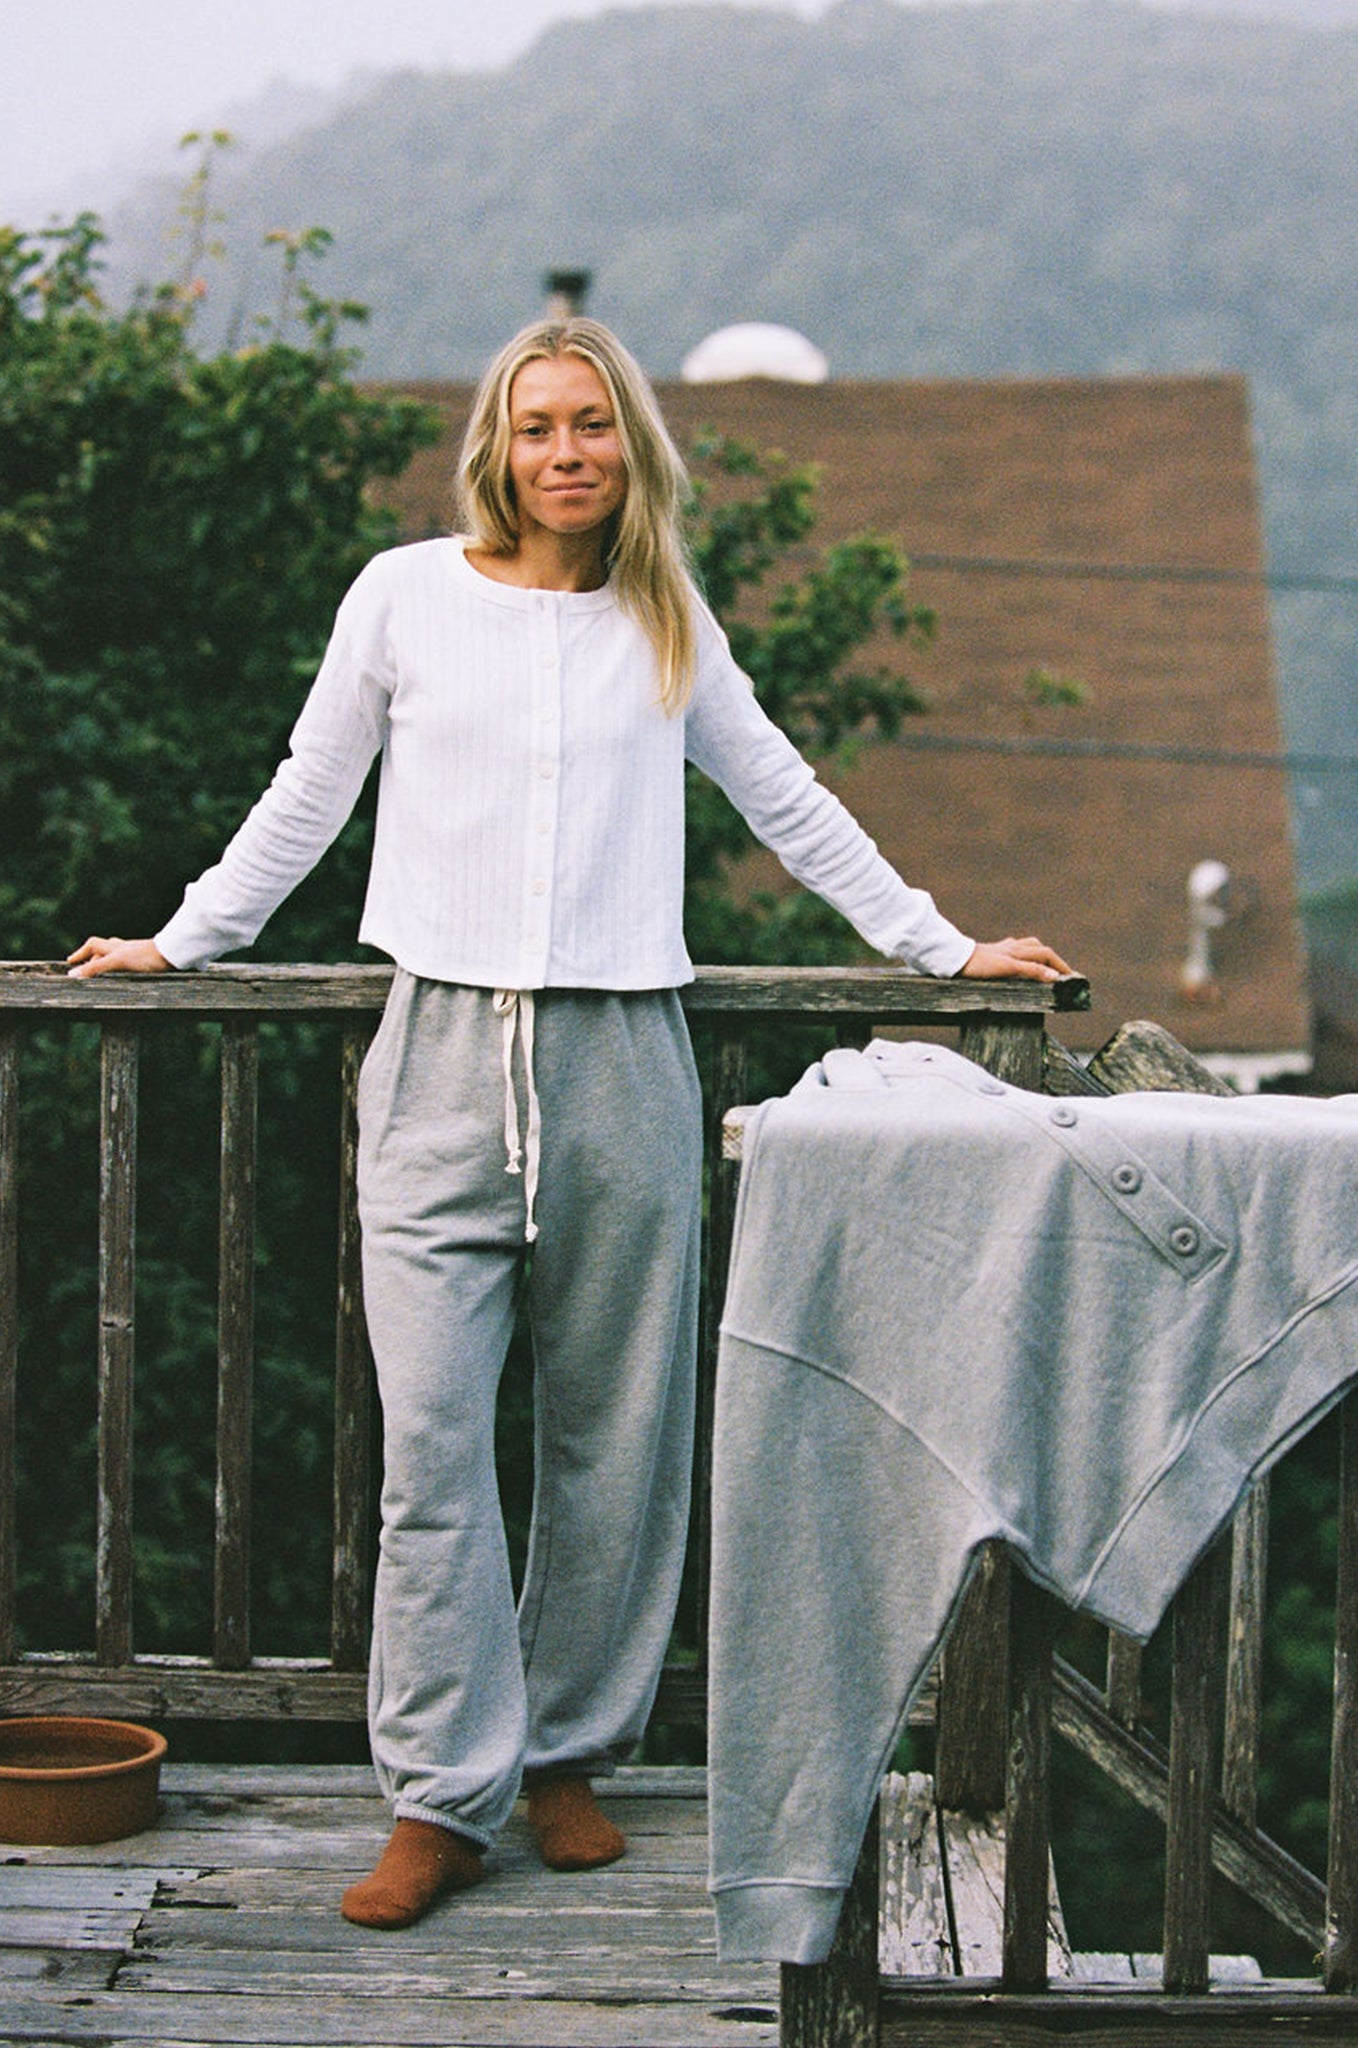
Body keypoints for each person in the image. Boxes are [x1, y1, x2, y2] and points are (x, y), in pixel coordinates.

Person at [68, 316, 1071, 1930]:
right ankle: (440, 1797)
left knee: (615, 1441)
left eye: (592, 424)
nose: (565, 452)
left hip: (621, 1059)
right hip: (437, 1061)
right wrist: (185, 943)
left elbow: (784, 794)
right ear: (496, 445)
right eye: (537, 425)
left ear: (630, 446)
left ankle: (566, 1757)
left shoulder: (664, 620)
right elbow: (308, 789)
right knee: (432, 1451)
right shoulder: (402, 595)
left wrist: (938, 947)